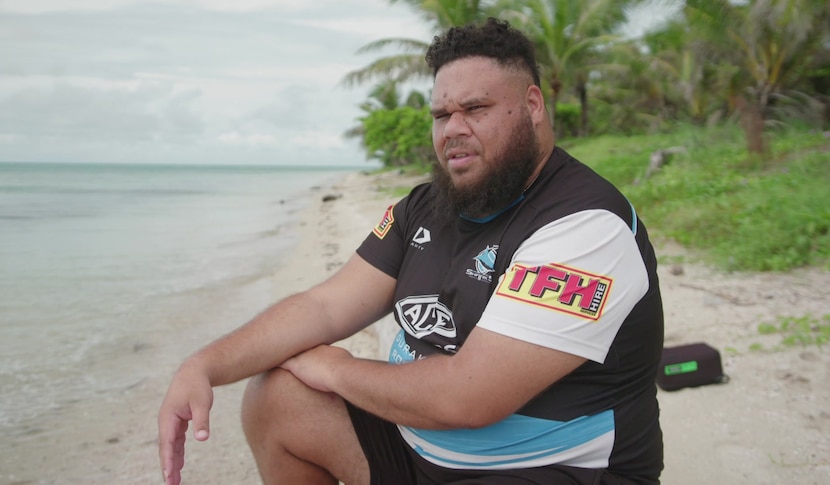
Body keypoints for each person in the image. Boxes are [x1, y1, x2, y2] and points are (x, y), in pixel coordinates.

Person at [158, 17, 664, 485]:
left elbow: (468, 397)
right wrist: (204, 365)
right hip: (417, 450)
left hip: (549, 469)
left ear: (533, 105)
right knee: (277, 400)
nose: (453, 129)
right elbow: (325, 305)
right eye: (442, 114)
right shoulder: (423, 206)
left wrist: (334, 368)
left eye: (476, 109)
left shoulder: (585, 226)